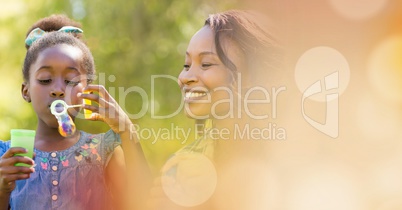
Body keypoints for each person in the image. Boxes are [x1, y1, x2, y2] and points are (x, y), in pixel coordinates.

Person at [0, 16, 150, 210]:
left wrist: (126, 129)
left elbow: (145, 200)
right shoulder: (7, 156)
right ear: (25, 90)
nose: (58, 90)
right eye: (45, 79)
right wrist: (3, 189)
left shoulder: (104, 151)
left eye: (71, 80)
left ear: (87, 91)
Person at [148, 10, 282, 210]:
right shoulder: (181, 167)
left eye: (206, 64)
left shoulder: (286, 157)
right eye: (186, 65)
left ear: (251, 77)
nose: (185, 77)